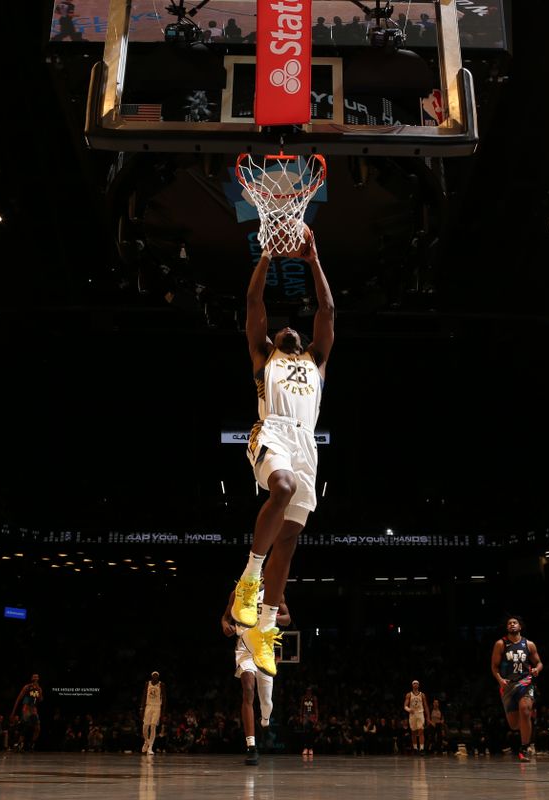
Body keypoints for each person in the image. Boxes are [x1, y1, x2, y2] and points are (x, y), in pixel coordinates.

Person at [230, 226, 335, 678]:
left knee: (290, 540)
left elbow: (328, 308)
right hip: (270, 431)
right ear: (272, 340)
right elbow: (254, 305)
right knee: (282, 486)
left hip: (306, 442)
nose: (289, 326)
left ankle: (265, 625)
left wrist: (313, 260)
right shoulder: (263, 357)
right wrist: (267, 257)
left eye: (295, 326)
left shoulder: (316, 361)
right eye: (282, 327)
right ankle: (249, 578)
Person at [222, 582, 291, 765]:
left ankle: (265, 720)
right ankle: (251, 747)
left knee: (266, 701)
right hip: (244, 647)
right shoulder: (237, 592)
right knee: (248, 689)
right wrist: (225, 625)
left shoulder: (274, 592)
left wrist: (274, 616)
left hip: (264, 649)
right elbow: (226, 617)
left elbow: (287, 618)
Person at [491, 616, 543, 763]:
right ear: (507, 627)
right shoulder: (501, 644)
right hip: (508, 685)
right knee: (514, 725)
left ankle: (524, 748)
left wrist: (537, 670)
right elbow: (494, 667)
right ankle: (528, 726)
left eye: (515, 623)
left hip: (525, 682)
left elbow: (539, 663)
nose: (512, 624)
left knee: (525, 709)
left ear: (520, 627)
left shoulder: (529, 644)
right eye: (509, 623)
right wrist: (500, 680)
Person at [11, 673, 44, 751]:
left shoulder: (39, 688)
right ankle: (19, 744)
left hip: (34, 710)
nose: (36, 678)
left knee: (38, 728)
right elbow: (18, 699)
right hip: (26, 709)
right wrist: (13, 712)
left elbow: (41, 699)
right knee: (26, 727)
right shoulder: (27, 687)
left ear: (38, 679)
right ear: (31, 678)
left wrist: (39, 691)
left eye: (37, 677)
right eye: (34, 676)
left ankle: (31, 744)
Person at [140, 671, 165, 755]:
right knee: (145, 727)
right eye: (153, 675)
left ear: (158, 677)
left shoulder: (161, 685)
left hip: (157, 707)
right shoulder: (148, 683)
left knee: (153, 726)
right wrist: (141, 708)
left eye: (156, 675)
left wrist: (163, 711)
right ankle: (146, 742)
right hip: (148, 706)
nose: (155, 677)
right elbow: (144, 695)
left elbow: (164, 699)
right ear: (151, 676)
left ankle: (150, 747)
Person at [403, 680, 430, 755]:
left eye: (417, 684)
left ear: (418, 685)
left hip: (420, 713)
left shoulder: (422, 695)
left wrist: (428, 717)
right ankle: (415, 748)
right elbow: (405, 705)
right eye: (414, 684)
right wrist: (409, 710)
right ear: (412, 685)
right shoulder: (409, 694)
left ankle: (421, 749)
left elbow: (426, 706)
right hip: (412, 715)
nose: (415, 685)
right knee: (413, 732)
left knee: (421, 731)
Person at [299, 686, 319, 757]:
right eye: (307, 690)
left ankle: (310, 748)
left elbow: (316, 708)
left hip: (312, 717)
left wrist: (316, 718)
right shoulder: (303, 698)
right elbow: (301, 708)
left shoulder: (314, 698)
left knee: (311, 733)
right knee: (305, 733)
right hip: (305, 716)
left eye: (310, 691)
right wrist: (301, 717)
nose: (308, 692)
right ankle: (305, 748)